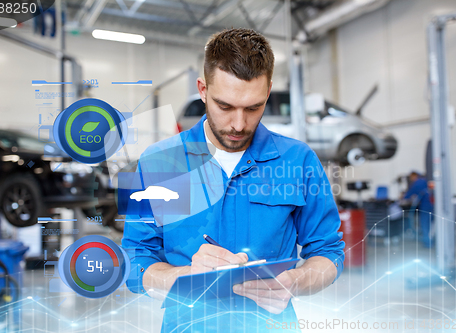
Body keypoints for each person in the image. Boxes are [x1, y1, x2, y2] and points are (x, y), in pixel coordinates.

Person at [122, 28, 345, 332]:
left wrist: (296, 281)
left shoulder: (299, 160)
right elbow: (135, 262)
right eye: (224, 106)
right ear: (203, 90)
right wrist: (185, 277)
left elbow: (328, 252)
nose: (238, 124)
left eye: (253, 108)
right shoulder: (158, 162)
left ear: (267, 92)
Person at [403, 171, 433, 247]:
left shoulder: (418, 182)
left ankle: (427, 243)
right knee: (431, 224)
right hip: (432, 204)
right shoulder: (425, 180)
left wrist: (402, 197)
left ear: (414, 176)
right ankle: (432, 241)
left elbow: (409, 194)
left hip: (426, 205)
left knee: (425, 224)